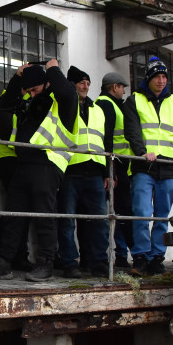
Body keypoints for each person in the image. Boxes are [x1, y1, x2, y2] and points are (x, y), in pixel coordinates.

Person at [0, 60, 77, 281]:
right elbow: (3, 106)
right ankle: (3, 261)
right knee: (14, 215)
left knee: (44, 216)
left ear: (47, 84)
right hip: (23, 163)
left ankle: (46, 264)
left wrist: (53, 69)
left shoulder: (62, 101)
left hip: (48, 163)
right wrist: (17, 79)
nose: (31, 95)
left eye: (35, 90)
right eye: (28, 91)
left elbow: (67, 92)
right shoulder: (30, 104)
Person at [123, 57, 173, 276]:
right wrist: (142, 152)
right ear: (149, 78)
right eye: (157, 77)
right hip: (145, 166)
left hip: (169, 166)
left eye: (164, 77)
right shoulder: (134, 100)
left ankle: (157, 258)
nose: (162, 81)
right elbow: (132, 130)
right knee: (142, 213)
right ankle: (141, 257)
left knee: (163, 215)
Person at [58, 66, 114, 278]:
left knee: (99, 221)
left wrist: (109, 172)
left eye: (88, 83)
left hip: (95, 172)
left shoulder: (98, 109)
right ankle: (70, 263)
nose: (85, 86)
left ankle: (97, 261)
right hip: (70, 169)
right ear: (71, 84)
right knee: (67, 220)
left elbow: (106, 141)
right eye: (81, 82)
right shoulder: (64, 106)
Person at [96, 72, 133, 268]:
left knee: (119, 213)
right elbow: (107, 138)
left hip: (119, 166)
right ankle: (119, 255)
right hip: (114, 167)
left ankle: (121, 254)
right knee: (119, 212)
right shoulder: (106, 104)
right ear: (114, 87)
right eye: (122, 87)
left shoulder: (113, 105)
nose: (124, 91)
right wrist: (110, 171)